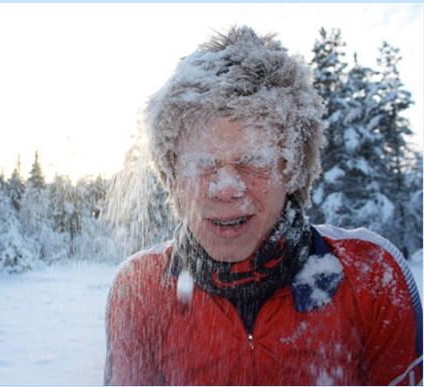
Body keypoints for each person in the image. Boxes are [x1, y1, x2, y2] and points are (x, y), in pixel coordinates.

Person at [104, 26, 422, 385]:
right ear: (172, 176)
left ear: (292, 170)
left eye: (253, 160)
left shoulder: (371, 277)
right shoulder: (140, 290)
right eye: (201, 163)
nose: (225, 189)